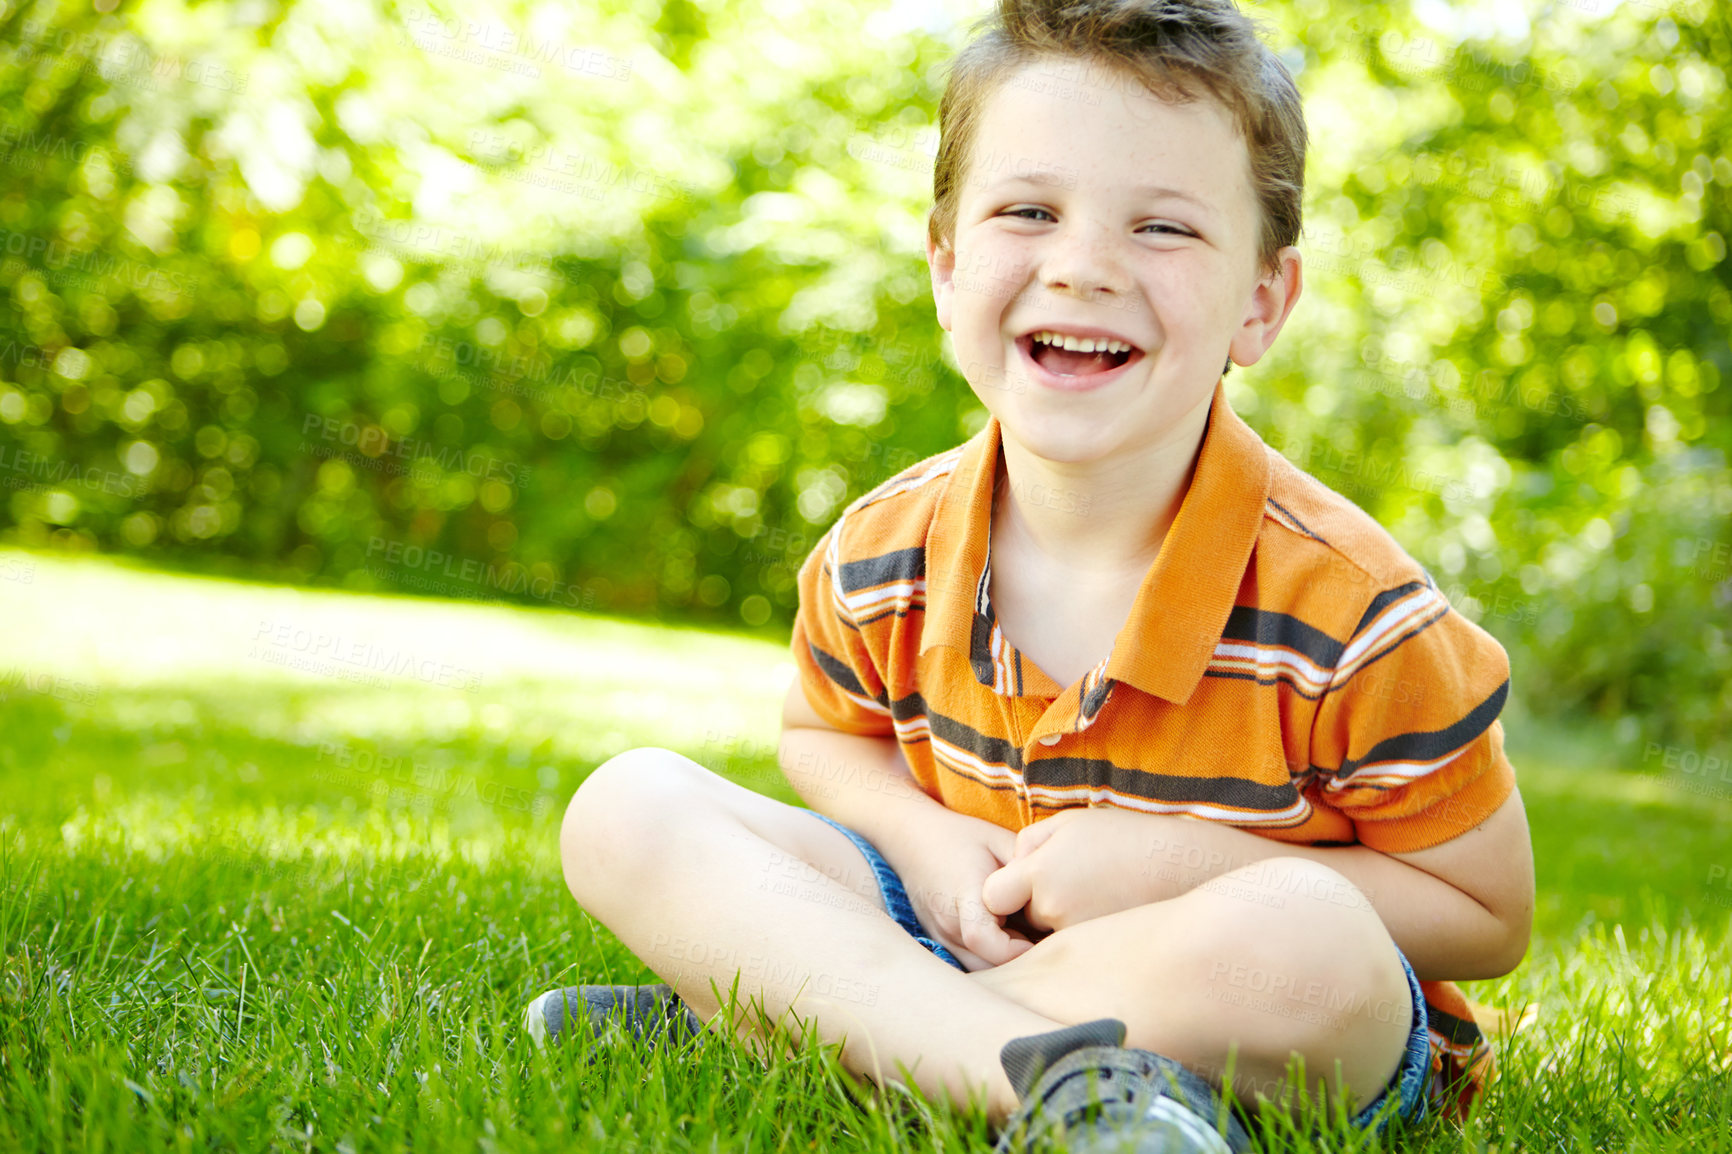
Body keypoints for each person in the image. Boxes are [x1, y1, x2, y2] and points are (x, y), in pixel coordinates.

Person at [526, 0, 1536, 1149]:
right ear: (947, 265)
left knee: (1304, 936)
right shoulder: (881, 548)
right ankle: (1034, 1081)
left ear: (1260, 302)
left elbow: (1484, 915)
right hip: (956, 933)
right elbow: (825, 738)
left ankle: (802, 1023)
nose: (1084, 266)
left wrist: (1179, 862)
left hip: (1250, 1009)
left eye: (1162, 228)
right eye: (1028, 211)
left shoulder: (1355, 612)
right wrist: (922, 838)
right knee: (629, 804)